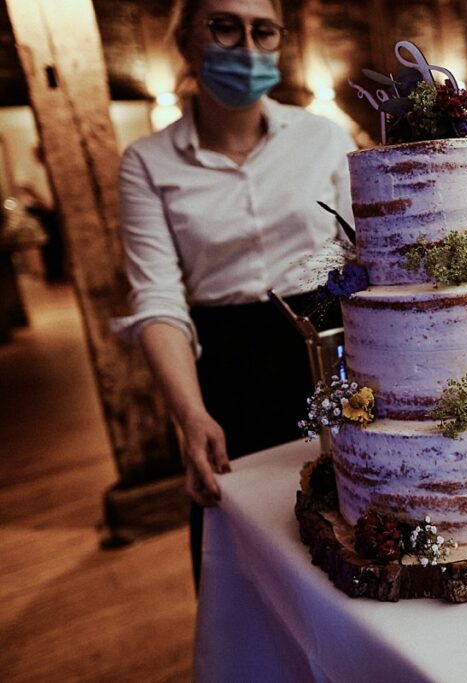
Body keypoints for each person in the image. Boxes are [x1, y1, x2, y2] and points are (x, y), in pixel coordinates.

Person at [112, 0, 355, 587]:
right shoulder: (147, 162)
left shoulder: (323, 138)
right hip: (225, 371)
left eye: (263, 29)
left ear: (279, 42)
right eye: (224, 25)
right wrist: (190, 414)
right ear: (185, 40)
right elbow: (159, 301)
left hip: (330, 350)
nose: (245, 45)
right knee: (248, 558)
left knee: (346, 533)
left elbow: (361, 256)